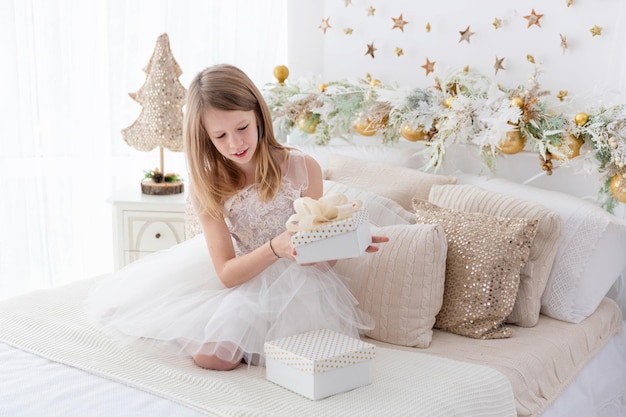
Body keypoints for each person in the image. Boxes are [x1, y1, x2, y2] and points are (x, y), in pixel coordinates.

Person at [85, 64, 387, 371]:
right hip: (242, 275)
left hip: (297, 284)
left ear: (258, 115)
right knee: (215, 357)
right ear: (206, 138)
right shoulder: (207, 184)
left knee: (293, 353)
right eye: (220, 135)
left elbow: (316, 259)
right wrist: (274, 248)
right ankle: (182, 330)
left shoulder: (301, 167)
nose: (235, 144)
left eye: (242, 128)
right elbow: (227, 274)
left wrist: (346, 242)